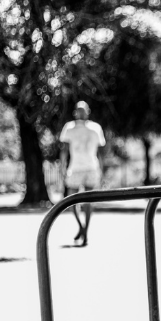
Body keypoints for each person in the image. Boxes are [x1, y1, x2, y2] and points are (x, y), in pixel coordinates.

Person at [58, 101, 106, 246]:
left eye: (83, 110)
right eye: (78, 110)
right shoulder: (69, 128)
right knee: (71, 200)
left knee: (89, 202)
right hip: (75, 168)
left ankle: (86, 230)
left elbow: (100, 152)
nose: (80, 113)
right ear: (75, 112)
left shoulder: (95, 128)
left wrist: (101, 170)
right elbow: (64, 150)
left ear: (88, 111)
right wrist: (62, 168)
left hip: (91, 167)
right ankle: (81, 227)